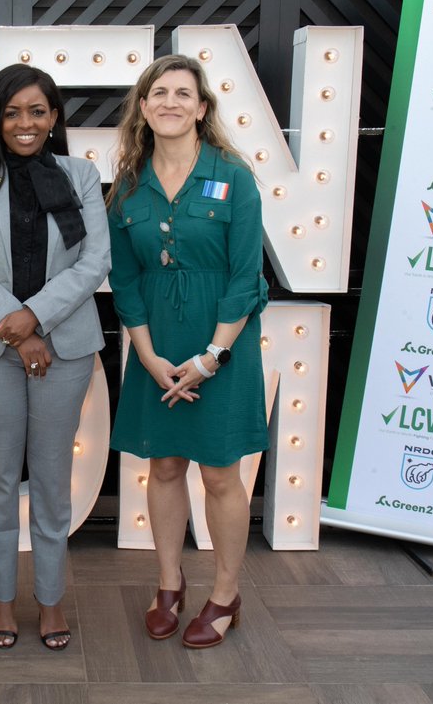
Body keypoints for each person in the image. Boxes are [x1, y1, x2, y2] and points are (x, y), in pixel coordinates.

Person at [105, 54, 267, 649]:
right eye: (158, 93)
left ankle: (225, 596)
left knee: (221, 475)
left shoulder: (234, 176)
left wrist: (211, 357)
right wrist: (147, 357)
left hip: (222, 346)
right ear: (143, 108)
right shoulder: (127, 185)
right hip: (157, 348)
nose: (170, 102)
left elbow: (246, 278)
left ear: (202, 109)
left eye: (183, 94)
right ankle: (169, 585)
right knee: (165, 465)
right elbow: (125, 281)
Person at [0, 64, 110, 651]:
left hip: (64, 347)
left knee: (51, 479)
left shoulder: (81, 174)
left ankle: (49, 599)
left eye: (37, 111)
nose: (25, 122)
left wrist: (35, 318)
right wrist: (20, 330)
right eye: (12, 111)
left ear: (54, 117)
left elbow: (94, 262)